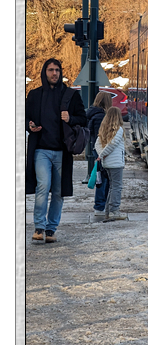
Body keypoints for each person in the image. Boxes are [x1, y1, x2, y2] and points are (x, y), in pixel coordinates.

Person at [26, 58, 87, 243]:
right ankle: (39, 227)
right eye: (51, 70)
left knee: (59, 192)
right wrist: (30, 125)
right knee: (43, 186)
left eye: (57, 70)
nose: (54, 73)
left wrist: (70, 118)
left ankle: (51, 229)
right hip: (41, 150)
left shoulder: (70, 95)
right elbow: (24, 117)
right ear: (44, 72)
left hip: (62, 152)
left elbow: (83, 119)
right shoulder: (34, 95)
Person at [95, 106, 126, 221]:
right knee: (117, 187)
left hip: (107, 163)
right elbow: (112, 144)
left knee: (112, 187)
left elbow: (97, 144)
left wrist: (101, 154)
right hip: (116, 164)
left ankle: (108, 211)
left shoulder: (103, 129)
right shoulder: (119, 129)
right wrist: (102, 155)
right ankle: (114, 211)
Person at [86, 91, 113, 219]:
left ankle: (101, 205)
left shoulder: (92, 114)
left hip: (96, 149)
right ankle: (100, 206)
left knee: (101, 177)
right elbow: (101, 136)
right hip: (101, 151)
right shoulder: (101, 117)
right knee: (103, 178)